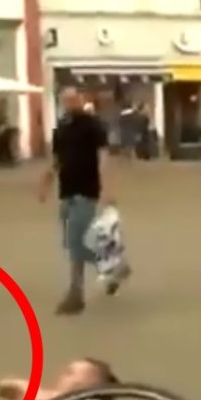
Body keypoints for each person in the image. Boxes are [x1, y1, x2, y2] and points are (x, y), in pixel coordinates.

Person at [38, 87, 128, 316]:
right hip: (66, 192)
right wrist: (46, 183)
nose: (69, 103)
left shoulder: (92, 125)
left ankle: (75, 295)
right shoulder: (61, 128)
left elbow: (103, 157)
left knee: (76, 243)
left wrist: (108, 188)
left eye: (73, 98)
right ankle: (115, 266)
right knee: (73, 243)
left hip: (86, 191)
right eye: (65, 99)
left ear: (80, 99)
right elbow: (56, 159)